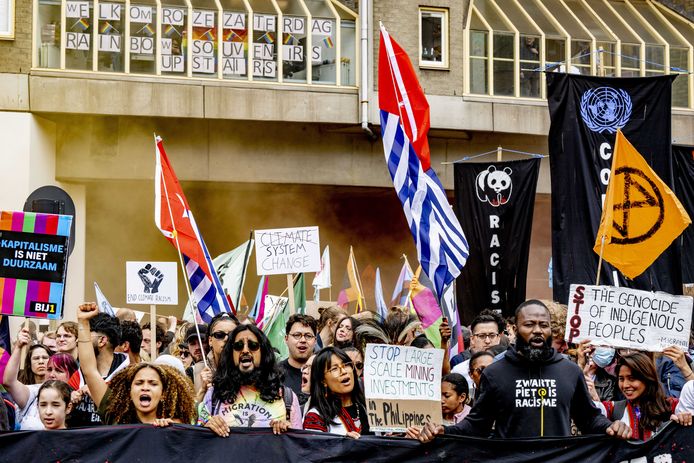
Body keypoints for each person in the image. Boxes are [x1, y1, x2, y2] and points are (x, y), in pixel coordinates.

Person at [416, 300, 632, 441]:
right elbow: (476, 426)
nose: (537, 330)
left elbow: (589, 419)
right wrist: (443, 431)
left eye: (544, 325)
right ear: (515, 330)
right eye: (529, 324)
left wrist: (611, 426)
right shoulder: (494, 374)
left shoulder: (569, 371)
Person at [77, 302, 196, 425]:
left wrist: (173, 429)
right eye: (139, 383)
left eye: (153, 384)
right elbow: (89, 371)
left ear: (163, 393)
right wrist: (83, 322)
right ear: (129, 391)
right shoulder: (117, 417)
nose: (145, 388)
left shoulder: (173, 425)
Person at [199, 324, 302, 436]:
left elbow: (299, 447)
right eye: (238, 346)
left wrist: (289, 431)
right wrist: (207, 426)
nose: (245, 350)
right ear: (231, 354)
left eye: (253, 345)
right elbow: (197, 440)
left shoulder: (287, 398)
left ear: (263, 352)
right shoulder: (214, 395)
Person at [589, 351, 692, 441]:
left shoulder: (673, 406)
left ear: (647, 378)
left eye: (632, 378)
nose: (625, 385)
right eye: (621, 379)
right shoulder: (611, 409)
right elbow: (587, 414)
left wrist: (685, 419)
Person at [3, 327, 78, 430]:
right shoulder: (35, 392)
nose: (52, 374)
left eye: (59, 371)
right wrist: (19, 347)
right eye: (49, 369)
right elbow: (9, 382)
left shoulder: (79, 398)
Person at [70, 305, 129, 427]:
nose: (77, 342)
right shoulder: (77, 376)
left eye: (86, 335)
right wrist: (68, 401)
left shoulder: (128, 376)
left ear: (102, 341)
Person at [303, 347, 369, 438]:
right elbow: (314, 450)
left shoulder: (367, 407)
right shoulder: (315, 416)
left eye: (346, 365)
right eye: (334, 369)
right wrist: (342, 445)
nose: (344, 371)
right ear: (323, 381)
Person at [452, 310, 505, 397]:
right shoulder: (460, 371)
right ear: (472, 339)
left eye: (492, 335)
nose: (487, 341)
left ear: (499, 338)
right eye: (482, 336)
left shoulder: (510, 368)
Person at [195, 313, 237, 400]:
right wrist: (203, 390)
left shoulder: (248, 368)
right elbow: (190, 411)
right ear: (210, 340)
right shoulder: (196, 370)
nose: (226, 339)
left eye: (232, 335)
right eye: (219, 335)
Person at [280, 314, 317, 401]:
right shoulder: (274, 374)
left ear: (315, 341)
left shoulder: (323, 373)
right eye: (297, 335)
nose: (303, 340)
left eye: (308, 336)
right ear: (286, 339)